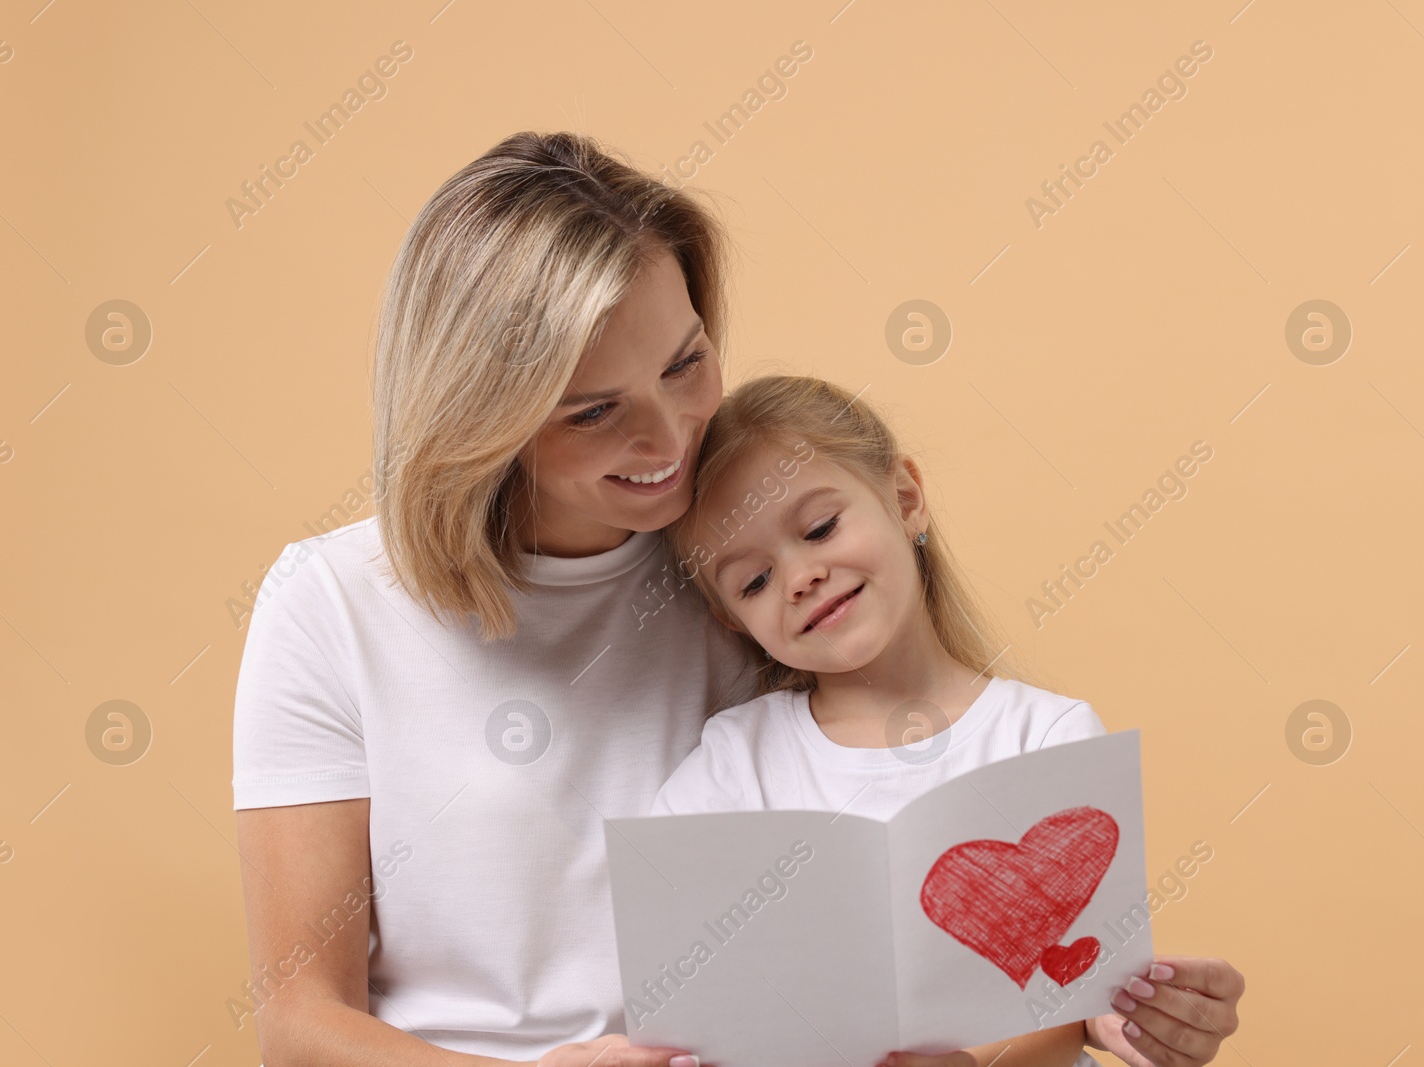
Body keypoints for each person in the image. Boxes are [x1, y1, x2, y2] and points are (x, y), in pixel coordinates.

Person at [230, 130, 1243, 1067]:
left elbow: (915, 871)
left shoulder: (730, 563)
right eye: (594, 412)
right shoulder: (330, 605)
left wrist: (1109, 1000)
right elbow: (298, 1019)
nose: (671, 437)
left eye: (685, 364)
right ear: (481, 421)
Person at [650, 375, 1243, 1067]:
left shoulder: (1045, 737)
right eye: (753, 580)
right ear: (732, 619)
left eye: (819, 528)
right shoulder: (732, 764)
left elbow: (1074, 1003)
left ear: (905, 498)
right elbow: (692, 994)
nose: (801, 577)